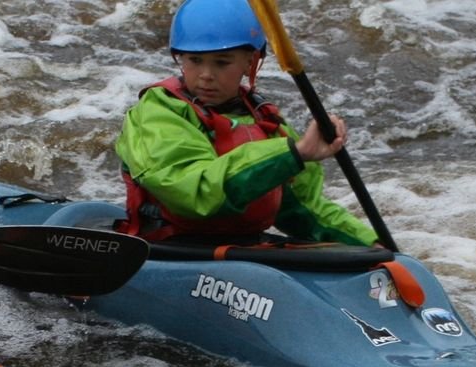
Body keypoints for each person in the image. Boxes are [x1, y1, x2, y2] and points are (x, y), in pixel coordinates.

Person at [114, 0, 379, 247]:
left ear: (249, 63)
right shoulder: (158, 113)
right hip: (170, 249)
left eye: (221, 62)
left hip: (240, 253)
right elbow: (194, 191)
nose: (206, 75)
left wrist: (372, 246)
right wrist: (292, 154)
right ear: (179, 57)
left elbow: (305, 210)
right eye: (194, 60)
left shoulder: (267, 124)